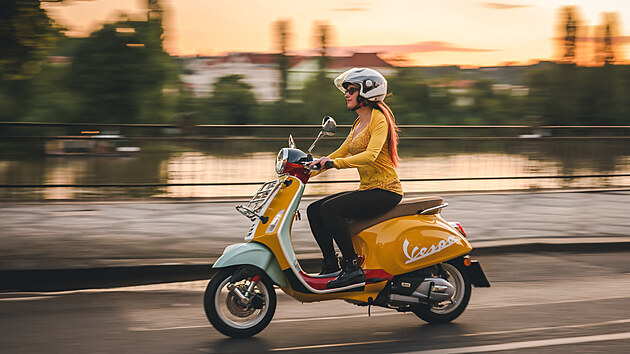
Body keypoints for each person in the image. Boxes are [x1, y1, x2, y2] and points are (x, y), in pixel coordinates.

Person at [307, 67, 403, 289]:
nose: (346, 94)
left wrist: (334, 165)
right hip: (369, 189)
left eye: (351, 90)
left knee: (331, 210)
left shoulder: (379, 120)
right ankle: (330, 265)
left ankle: (351, 268)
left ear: (368, 93)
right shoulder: (359, 122)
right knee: (314, 210)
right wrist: (310, 170)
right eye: (346, 90)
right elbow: (341, 152)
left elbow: (370, 156)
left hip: (386, 191)